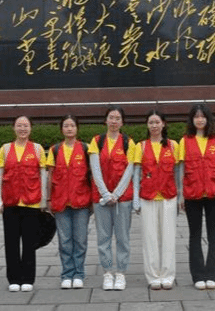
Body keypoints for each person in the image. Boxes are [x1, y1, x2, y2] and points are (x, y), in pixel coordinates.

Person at [177, 103, 215, 290]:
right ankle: (198, 275)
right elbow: (181, 169)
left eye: (203, 116)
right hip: (192, 194)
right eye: (196, 116)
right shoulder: (185, 141)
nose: (200, 120)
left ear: (208, 119)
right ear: (192, 120)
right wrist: (181, 195)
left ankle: (213, 274)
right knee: (195, 235)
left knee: (214, 235)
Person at [0, 115, 47, 292]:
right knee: (11, 242)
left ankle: (28, 278)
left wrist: (43, 200)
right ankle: (13, 278)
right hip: (10, 202)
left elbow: (43, 176)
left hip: (31, 202)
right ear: (14, 128)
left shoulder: (37, 149)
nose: (22, 129)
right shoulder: (6, 149)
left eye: (25, 125)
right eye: (19, 125)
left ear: (31, 128)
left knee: (29, 242)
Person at [88, 106, 136, 291]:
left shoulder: (128, 142)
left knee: (123, 237)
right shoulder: (97, 141)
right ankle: (108, 272)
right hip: (101, 198)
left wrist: (116, 194)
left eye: (117, 118)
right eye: (111, 118)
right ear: (105, 120)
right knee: (103, 237)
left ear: (122, 122)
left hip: (122, 199)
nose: (114, 121)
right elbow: (95, 169)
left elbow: (129, 170)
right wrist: (105, 193)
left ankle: (121, 273)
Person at [132, 109, 179, 290]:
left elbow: (177, 173)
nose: (154, 126)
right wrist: (136, 198)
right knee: (150, 238)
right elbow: (136, 174)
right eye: (151, 122)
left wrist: (180, 196)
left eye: (157, 122)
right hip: (148, 197)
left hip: (168, 197)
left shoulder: (173, 146)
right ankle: (152, 276)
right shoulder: (141, 146)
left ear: (163, 124)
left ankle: (167, 275)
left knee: (168, 238)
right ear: (147, 125)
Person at [47, 114, 91, 289]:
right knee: (64, 240)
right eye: (66, 126)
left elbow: (92, 175)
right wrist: (48, 198)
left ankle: (79, 273)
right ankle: (67, 274)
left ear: (77, 128)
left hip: (81, 201)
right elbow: (50, 176)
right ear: (61, 129)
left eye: (72, 125)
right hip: (60, 202)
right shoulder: (55, 150)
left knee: (80, 240)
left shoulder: (86, 149)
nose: (69, 128)